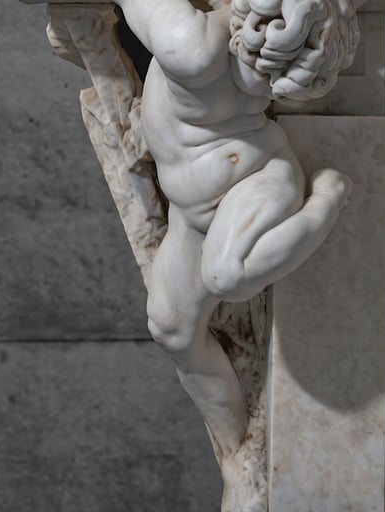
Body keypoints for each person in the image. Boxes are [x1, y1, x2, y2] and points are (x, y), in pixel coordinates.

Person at [115, 0, 359, 460]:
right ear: (252, 27)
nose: (269, 89)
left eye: (282, 82)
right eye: (267, 69)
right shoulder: (188, 46)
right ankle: (238, 458)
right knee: (172, 330)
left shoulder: (294, 37)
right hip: (192, 210)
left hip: (260, 179)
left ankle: (329, 196)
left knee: (228, 275)